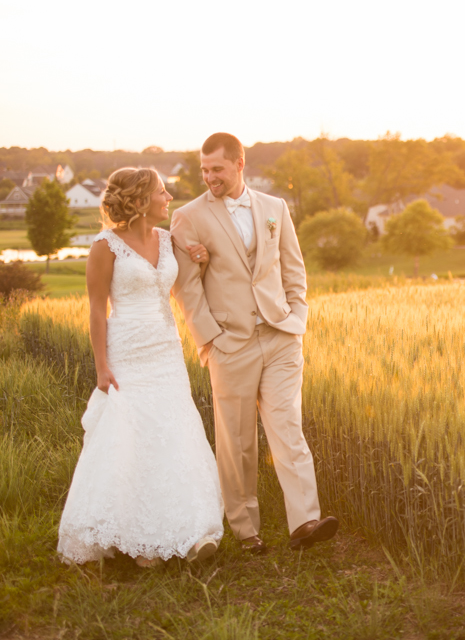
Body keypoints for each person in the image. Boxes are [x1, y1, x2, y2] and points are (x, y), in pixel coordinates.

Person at [170, 133, 338, 554]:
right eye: (204, 170)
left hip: (281, 338)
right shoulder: (187, 217)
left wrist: (296, 319)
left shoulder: (274, 208)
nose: (209, 177)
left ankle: (305, 522)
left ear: (240, 164)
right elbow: (187, 289)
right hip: (231, 344)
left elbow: (293, 269)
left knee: (289, 429)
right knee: (238, 442)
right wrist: (212, 340)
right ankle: (246, 530)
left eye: (217, 169)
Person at [58, 168, 223, 568]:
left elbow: (185, 283)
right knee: (129, 436)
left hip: (166, 350)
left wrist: (200, 258)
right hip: (126, 351)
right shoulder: (105, 246)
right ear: (139, 200)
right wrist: (101, 365)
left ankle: (189, 530)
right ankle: (132, 533)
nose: (169, 198)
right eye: (162, 192)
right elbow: (97, 310)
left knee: (173, 431)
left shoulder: (168, 240)